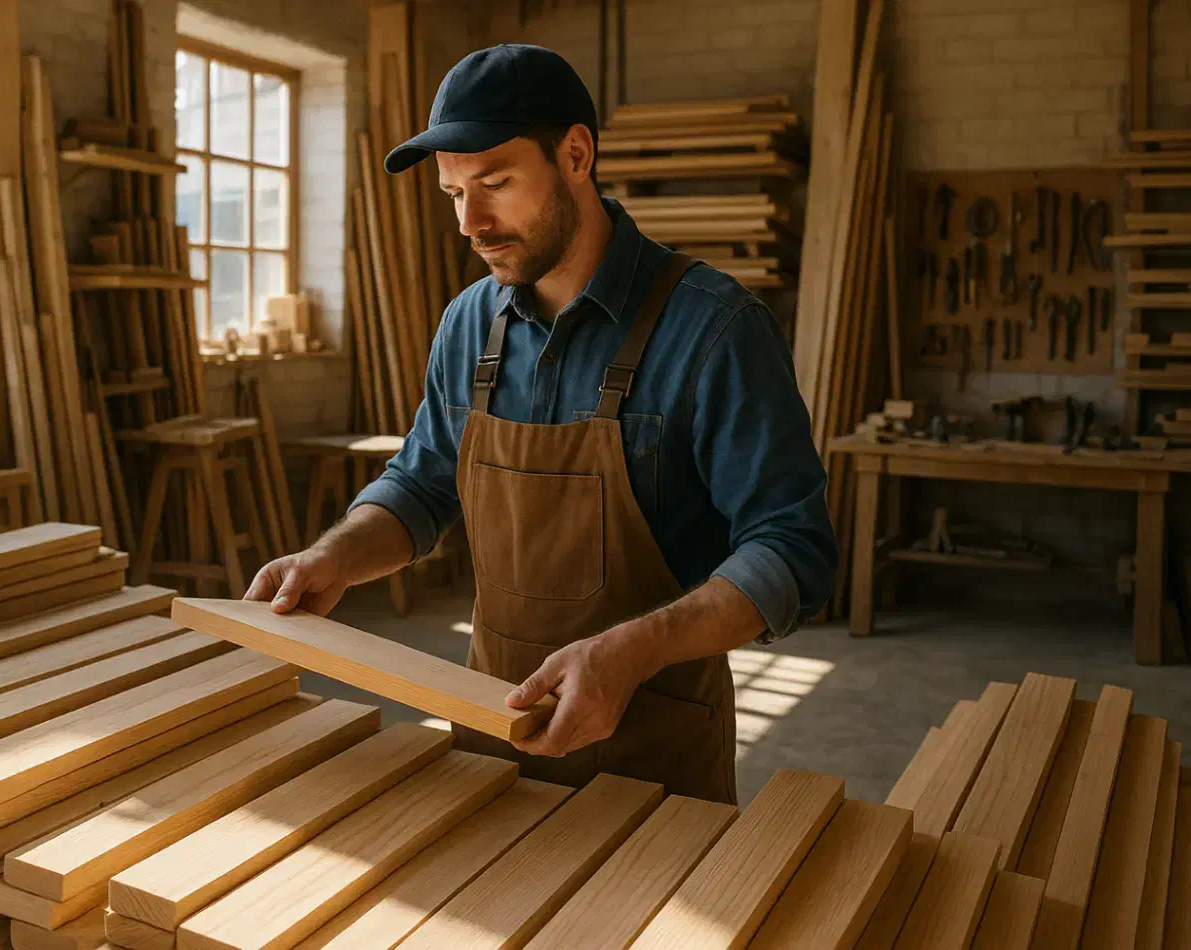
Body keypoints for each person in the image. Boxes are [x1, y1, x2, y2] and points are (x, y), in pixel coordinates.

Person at [244, 43, 838, 804]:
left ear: (576, 155)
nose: (472, 223)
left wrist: (631, 651)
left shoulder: (713, 328)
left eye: (494, 183)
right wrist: (335, 556)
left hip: (655, 748)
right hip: (492, 728)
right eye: (453, 193)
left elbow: (793, 550)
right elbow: (424, 486)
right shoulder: (468, 323)